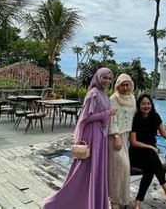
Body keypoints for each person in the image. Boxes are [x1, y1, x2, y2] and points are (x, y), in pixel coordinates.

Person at [44, 67, 117, 209]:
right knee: (84, 170)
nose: (107, 81)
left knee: (93, 170)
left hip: (100, 136)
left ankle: (92, 202)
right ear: (98, 78)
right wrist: (107, 113)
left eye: (109, 78)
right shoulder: (93, 94)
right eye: (105, 78)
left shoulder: (103, 94)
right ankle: (61, 202)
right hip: (92, 135)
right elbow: (85, 117)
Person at [129, 94, 166, 209]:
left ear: (151, 105)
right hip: (136, 152)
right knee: (152, 153)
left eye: (148, 103)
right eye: (143, 104)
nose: (146, 106)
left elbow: (163, 133)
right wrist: (151, 147)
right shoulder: (135, 118)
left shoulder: (155, 116)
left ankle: (137, 202)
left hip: (150, 155)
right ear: (139, 105)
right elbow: (133, 142)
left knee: (150, 169)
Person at [108, 74, 137, 209]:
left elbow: (135, 118)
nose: (125, 88)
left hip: (127, 136)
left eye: (127, 85)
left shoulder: (133, 98)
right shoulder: (113, 99)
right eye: (122, 85)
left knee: (123, 171)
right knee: (120, 168)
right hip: (116, 138)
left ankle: (122, 198)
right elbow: (111, 119)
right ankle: (114, 200)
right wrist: (116, 136)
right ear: (117, 86)